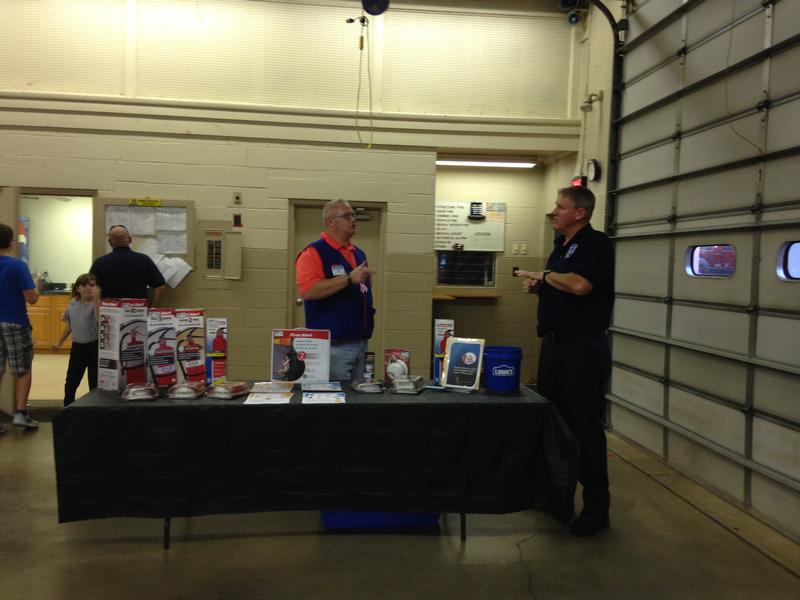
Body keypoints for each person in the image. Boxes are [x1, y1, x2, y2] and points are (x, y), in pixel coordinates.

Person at [516, 186, 615, 537]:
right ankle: (556, 497)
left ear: (580, 213)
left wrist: (544, 276)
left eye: (560, 207)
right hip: (555, 348)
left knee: (585, 429)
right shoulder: (561, 246)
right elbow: (560, 284)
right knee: (556, 426)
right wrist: (540, 286)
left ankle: (596, 507)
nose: (553, 211)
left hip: (582, 351)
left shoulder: (595, 244)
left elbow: (579, 285)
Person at [295, 200, 375, 381]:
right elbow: (308, 291)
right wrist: (348, 279)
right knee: (337, 403)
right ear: (330, 222)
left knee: (360, 402)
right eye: (347, 216)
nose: (353, 219)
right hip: (333, 348)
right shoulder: (313, 253)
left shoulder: (359, 253)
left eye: (354, 215)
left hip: (361, 342)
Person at [0, 222, 41, 430]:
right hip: (15, 322)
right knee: (22, 368)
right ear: (11, 242)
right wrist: (36, 284)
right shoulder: (17, 266)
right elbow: (31, 298)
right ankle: (20, 413)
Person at [53, 273, 99, 406]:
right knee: (71, 380)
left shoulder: (96, 305)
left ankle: (95, 409)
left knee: (94, 382)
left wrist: (96, 300)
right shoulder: (73, 303)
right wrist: (59, 341)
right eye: (84, 285)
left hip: (94, 347)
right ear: (77, 288)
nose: (88, 288)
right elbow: (70, 325)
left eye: (91, 285)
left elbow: (99, 320)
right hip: (77, 348)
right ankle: (67, 406)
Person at [90, 224, 166, 304]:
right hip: (138, 311)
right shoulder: (143, 260)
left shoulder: (100, 263)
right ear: (130, 239)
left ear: (110, 242)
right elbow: (160, 286)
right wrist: (152, 308)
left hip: (109, 312)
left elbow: (90, 288)